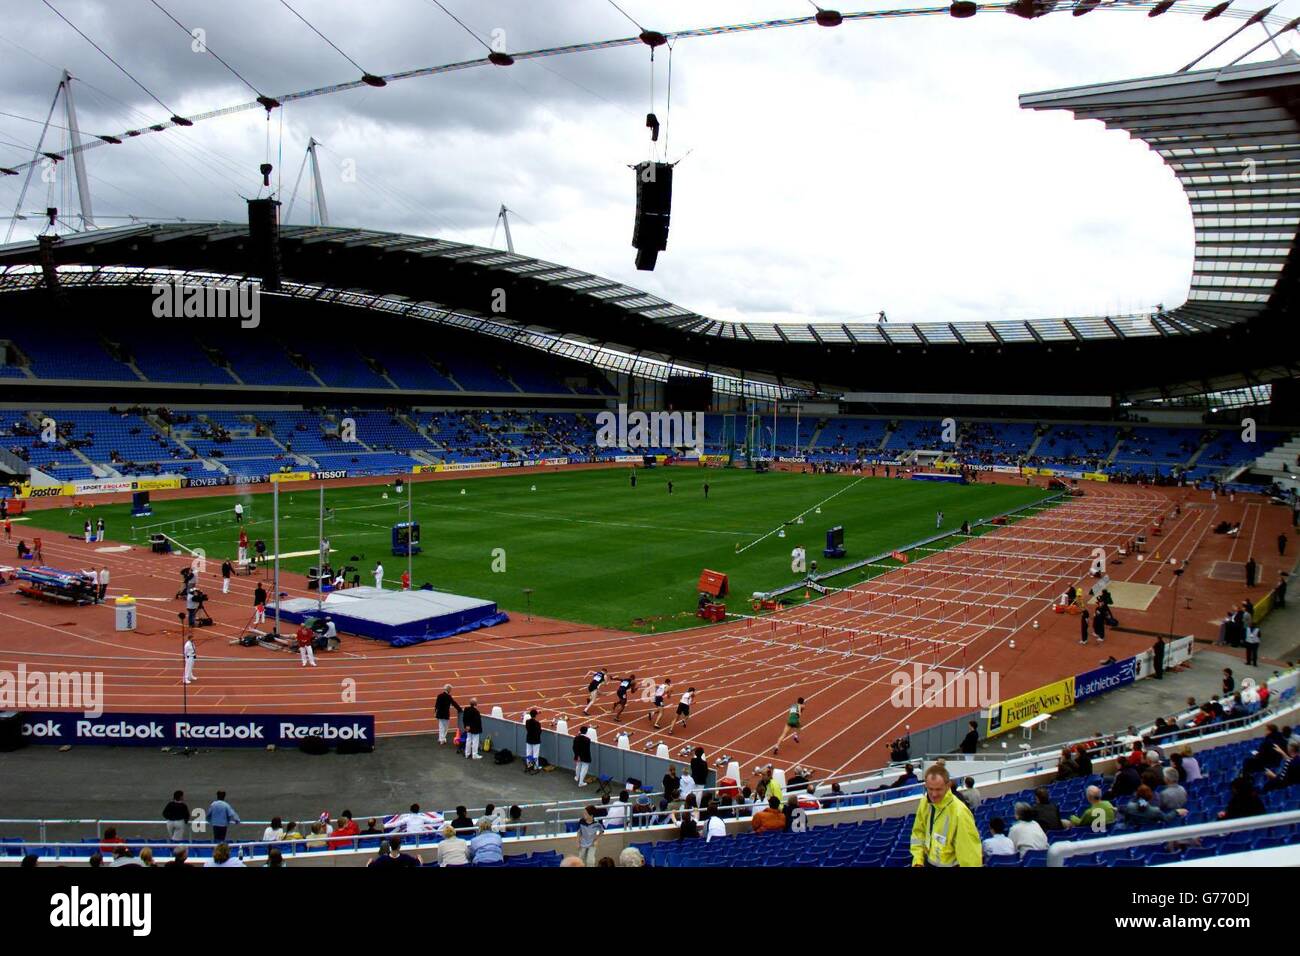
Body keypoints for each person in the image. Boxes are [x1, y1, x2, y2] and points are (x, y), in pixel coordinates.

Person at [910, 764, 982, 867]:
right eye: (930, 789)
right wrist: (918, 861)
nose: (934, 794)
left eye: (938, 789)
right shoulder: (924, 803)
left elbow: (970, 856)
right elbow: (918, 833)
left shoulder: (960, 812)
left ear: (948, 786)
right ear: (925, 786)